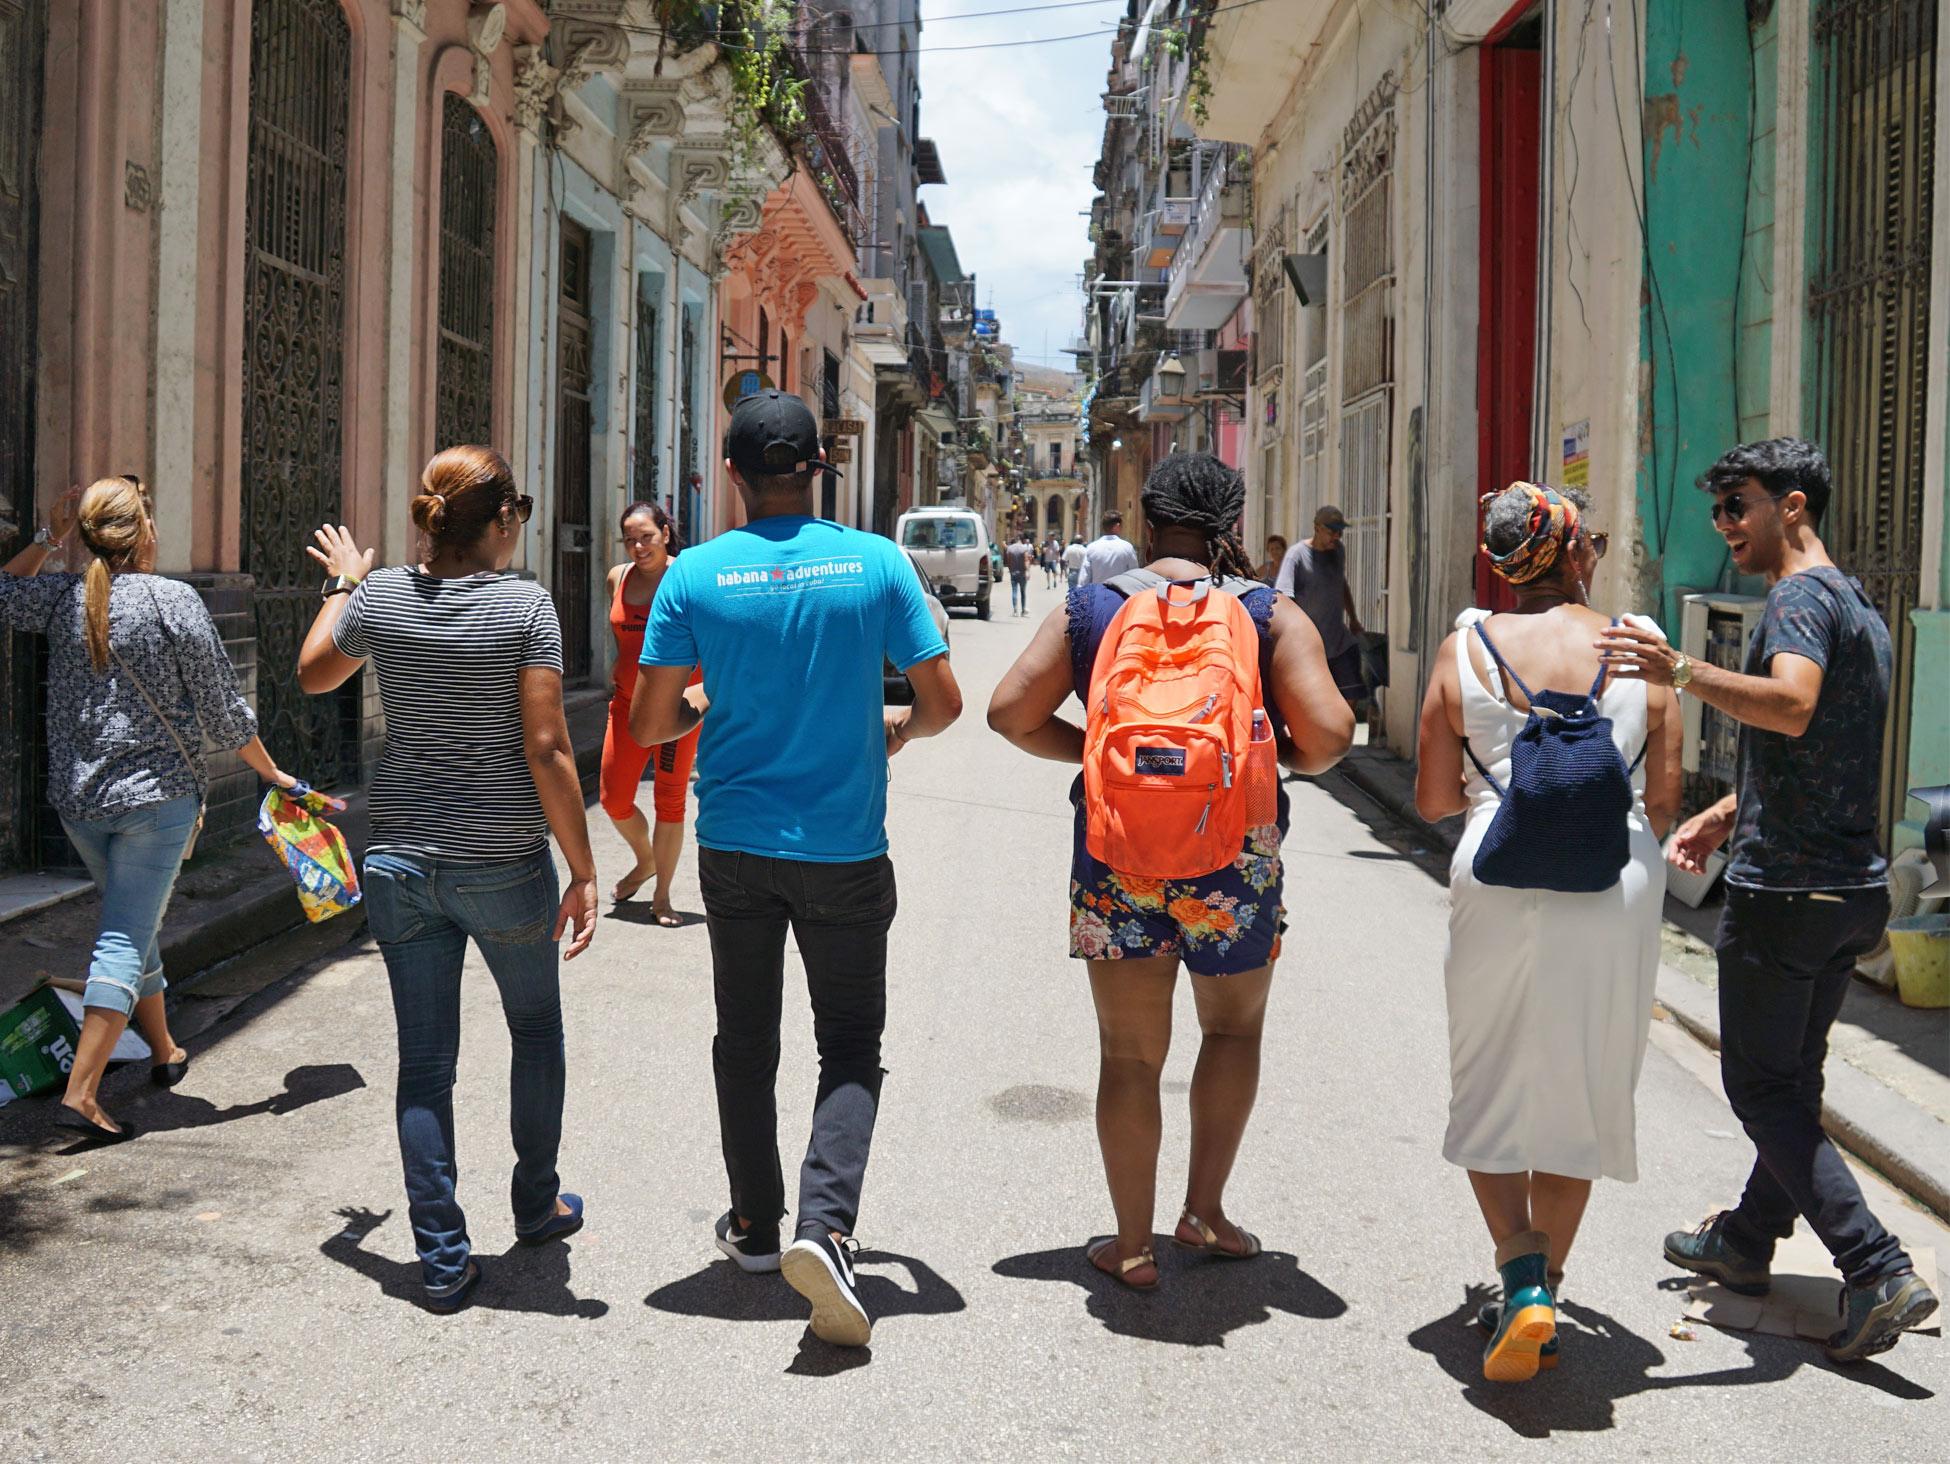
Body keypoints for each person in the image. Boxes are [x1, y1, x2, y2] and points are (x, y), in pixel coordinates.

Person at [630, 390, 962, 1348]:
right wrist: (890, 728)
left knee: (746, 1039)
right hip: (847, 848)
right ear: (821, 468)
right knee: (850, 1046)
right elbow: (942, 702)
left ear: (732, 475)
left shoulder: (694, 575)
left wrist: (704, 702)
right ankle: (829, 1226)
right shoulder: (877, 563)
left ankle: (758, 1227)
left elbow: (653, 723)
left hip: (735, 845)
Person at [1600, 437, 1940, 1364]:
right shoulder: (1857, 604)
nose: (1725, 526)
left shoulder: (1796, 598)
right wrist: (1722, 810)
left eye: (1738, 506)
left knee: (1758, 1084)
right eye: (1717, 510)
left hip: (1788, 892)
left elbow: (1791, 707)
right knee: (1795, 1080)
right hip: (1847, 887)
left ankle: (1874, 1266)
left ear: (1792, 506)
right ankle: (1747, 1239)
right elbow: (1816, 740)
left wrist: (1677, 670)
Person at [987, 453, 1353, 1292]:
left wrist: (1088, 751)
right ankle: (1206, 1212)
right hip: (1235, 858)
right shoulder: (1263, 611)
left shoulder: (1091, 607)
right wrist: (1269, 762)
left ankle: (1132, 1244)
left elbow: (1009, 711)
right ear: (1230, 527)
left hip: (1118, 852)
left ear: (1147, 522)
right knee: (1229, 1033)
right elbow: (1332, 737)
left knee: (1127, 1056)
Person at [298, 446, 598, 1314]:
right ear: (500, 520)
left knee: (426, 1065)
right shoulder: (523, 608)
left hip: (399, 861)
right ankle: (536, 1206)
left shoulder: (384, 596)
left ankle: (440, 1261)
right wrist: (582, 870)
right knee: (535, 1030)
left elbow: (315, 672)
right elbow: (546, 749)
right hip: (502, 860)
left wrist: (347, 582)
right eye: (521, 514)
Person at [1414, 482, 1679, 1383]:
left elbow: (1431, 800)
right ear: (1574, 554)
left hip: (1496, 866)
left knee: (1487, 1078)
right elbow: (1668, 800)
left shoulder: (1466, 647)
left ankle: (1521, 1280)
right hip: (1617, 876)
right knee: (1584, 1085)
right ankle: (1546, 1287)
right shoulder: (1641, 649)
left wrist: (1512, 781)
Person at [0, 477, 299, 1142]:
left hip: (79, 804)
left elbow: (2, 593)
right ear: (146, 535)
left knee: (133, 924)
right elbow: (223, 712)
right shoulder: (173, 601)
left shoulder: (61, 596)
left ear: (87, 538)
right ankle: (82, 1092)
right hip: (156, 802)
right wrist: (271, 771)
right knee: (122, 939)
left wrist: (48, 541)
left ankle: (164, 1050)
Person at [600, 501, 702, 923]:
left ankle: (662, 897)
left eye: (647, 537)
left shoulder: (687, 578)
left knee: (670, 800)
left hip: (677, 706)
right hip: (625, 705)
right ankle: (647, 861)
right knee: (613, 798)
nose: (639, 547)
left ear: (665, 532)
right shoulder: (617, 578)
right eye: (630, 540)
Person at [1275, 507, 1365, 702]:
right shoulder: (1296, 555)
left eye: (1340, 531)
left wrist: (1354, 619)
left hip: (1338, 642)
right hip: (1309, 647)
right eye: (1332, 531)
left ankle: (1344, 734)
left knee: (1350, 696)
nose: (1337, 536)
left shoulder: (1339, 551)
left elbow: (1341, 584)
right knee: (1312, 702)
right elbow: (1284, 600)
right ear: (1317, 528)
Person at [1078, 510, 1141, 586]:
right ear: (1117, 526)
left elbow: (1084, 578)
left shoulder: (1091, 548)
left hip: (1097, 595)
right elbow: (1134, 575)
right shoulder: (1127, 547)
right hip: (1120, 595)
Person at [1004, 533, 1035, 617]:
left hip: (1013, 573)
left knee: (1014, 591)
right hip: (1022, 573)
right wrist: (1028, 571)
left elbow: (1008, 561)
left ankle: (1015, 610)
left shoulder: (1010, 548)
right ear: (1023, 540)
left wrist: (1010, 570)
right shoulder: (1024, 548)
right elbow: (1026, 561)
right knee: (1023, 592)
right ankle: (1023, 610)